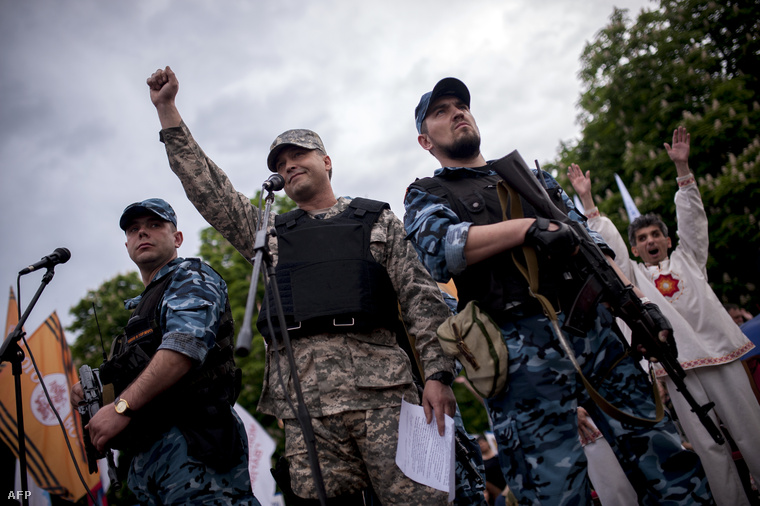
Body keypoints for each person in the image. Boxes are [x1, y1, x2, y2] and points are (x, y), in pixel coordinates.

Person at [146, 66, 458, 504]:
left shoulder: (377, 221)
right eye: (279, 163)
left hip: (386, 399)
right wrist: (168, 111)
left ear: (326, 161)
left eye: (299, 155)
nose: (288, 165)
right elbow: (209, 190)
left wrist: (438, 375)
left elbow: (421, 299)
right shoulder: (268, 234)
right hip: (305, 408)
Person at [404, 77, 713, 505]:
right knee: (552, 490)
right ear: (425, 140)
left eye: (461, 105)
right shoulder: (426, 194)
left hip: (597, 335)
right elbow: (442, 248)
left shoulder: (533, 180)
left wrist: (638, 306)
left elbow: (592, 244)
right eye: (441, 111)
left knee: (667, 464)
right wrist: (527, 228)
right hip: (520, 357)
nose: (457, 112)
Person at [568, 127, 760, 505]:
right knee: (709, 449)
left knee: (752, 432)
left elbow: (693, 223)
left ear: (668, 240)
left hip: (721, 353)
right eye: (642, 238)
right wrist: (588, 204)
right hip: (676, 370)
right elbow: (612, 258)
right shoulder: (636, 278)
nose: (650, 241)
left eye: (656, 235)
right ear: (637, 248)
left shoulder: (690, 260)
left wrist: (683, 170)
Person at [71, 198, 257, 505]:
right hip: (148, 457)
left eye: (155, 225)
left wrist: (120, 408)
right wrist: (93, 388)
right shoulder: (142, 308)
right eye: (134, 229)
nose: (143, 233)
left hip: (195, 442)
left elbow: (183, 348)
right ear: (127, 244)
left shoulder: (190, 277)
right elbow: (136, 364)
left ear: (177, 238)